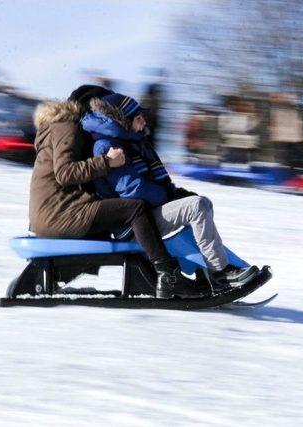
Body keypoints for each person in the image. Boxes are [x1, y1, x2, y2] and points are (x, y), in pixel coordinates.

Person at [28, 85, 205, 299]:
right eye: (99, 108)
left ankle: (56, 277)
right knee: (134, 209)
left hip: (56, 212)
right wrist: (107, 162)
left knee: (117, 225)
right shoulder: (67, 127)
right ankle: (167, 273)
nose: (102, 114)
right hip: (59, 214)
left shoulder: (65, 129)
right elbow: (65, 174)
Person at [80, 92, 259, 288]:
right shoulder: (107, 146)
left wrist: (174, 193)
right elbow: (132, 190)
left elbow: (151, 183)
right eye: (138, 119)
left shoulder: (132, 143)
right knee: (196, 207)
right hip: (133, 223)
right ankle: (220, 273)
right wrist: (168, 197)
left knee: (202, 203)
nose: (143, 124)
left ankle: (207, 270)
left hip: (147, 212)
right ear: (123, 120)